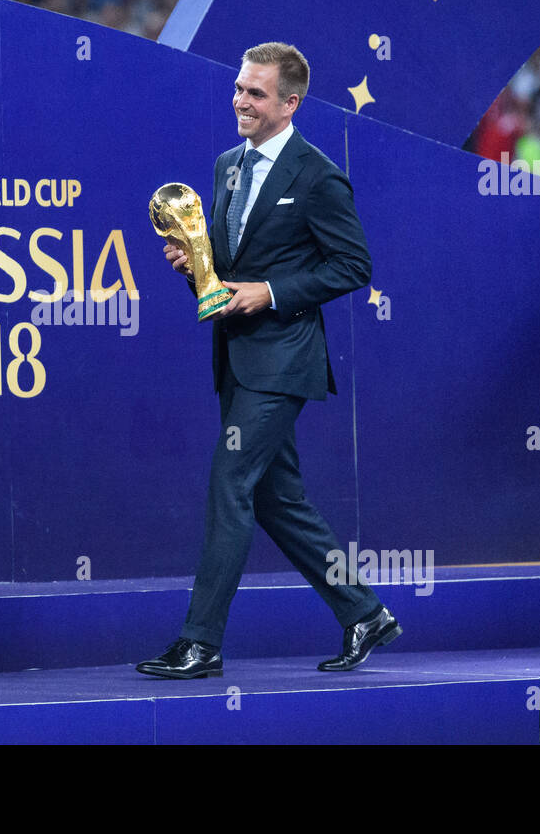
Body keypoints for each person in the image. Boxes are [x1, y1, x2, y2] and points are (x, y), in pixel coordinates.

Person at [137, 42, 400, 678]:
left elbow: (354, 266)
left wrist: (272, 293)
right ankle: (363, 613)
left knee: (230, 486)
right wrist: (194, 270)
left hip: (284, 361)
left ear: (290, 103)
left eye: (256, 93)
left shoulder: (317, 174)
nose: (241, 102)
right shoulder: (228, 166)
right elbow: (225, 275)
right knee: (278, 501)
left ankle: (201, 642)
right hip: (235, 359)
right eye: (238, 89)